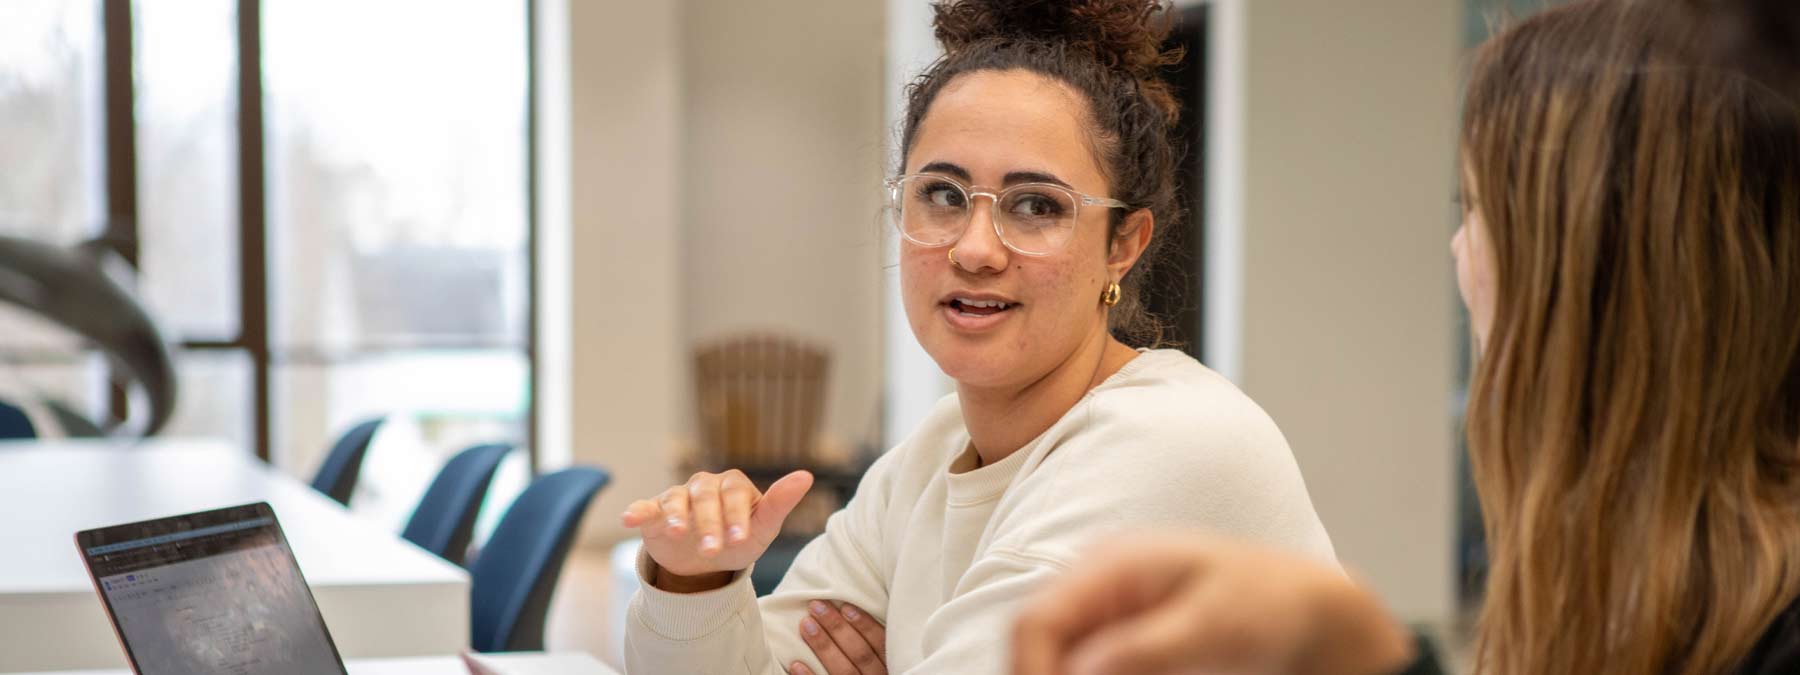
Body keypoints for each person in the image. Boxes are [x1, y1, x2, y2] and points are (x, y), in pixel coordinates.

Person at [1010, 0, 1800, 673]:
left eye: (1477, 212)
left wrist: (1363, 649)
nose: (1458, 253)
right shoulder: (1629, 588)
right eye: (939, 194)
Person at [617, 1, 1337, 673]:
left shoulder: (1168, 443)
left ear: (1124, 244)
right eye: (942, 194)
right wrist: (695, 581)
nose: (975, 248)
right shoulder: (938, 448)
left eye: (1035, 205)